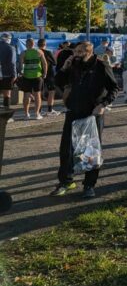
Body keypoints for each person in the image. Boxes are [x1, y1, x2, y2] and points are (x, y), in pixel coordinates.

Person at [51, 41, 118, 198]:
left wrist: (103, 104)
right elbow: (58, 82)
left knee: (91, 150)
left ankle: (89, 185)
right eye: (75, 51)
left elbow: (114, 88)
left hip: (92, 113)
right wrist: (64, 68)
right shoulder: (73, 65)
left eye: (80, 52)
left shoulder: (101, 66)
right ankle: (66, 181)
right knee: (66, 149)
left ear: (89, 52)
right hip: (73, 111)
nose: (76, 55)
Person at [19, 38, 47, 120]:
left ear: (26, 44)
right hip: (37, 76)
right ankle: (37, 114)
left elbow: (20, 65)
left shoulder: (23, 53)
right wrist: (45, 73)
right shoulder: (39, 52)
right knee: (37, 95)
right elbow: (44, 64)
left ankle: (26, 115)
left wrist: (21, 72)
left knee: (26, 95)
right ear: (33, 44)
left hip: (26, 76)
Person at [38, 38, 60, 116]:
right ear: (45, 44)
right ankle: (50, 110)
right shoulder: (48, 52)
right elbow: (54, 62)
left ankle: (39, 110)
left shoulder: (36, 52)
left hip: (39, 74)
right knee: (51, 91)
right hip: (49, 74)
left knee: (39, 92)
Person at [0, 33, 17, 115]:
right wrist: (14, 74)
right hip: (6, 74)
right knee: (7, 94)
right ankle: (5, 114)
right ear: (8, 39)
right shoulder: (11, 48)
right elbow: (12, 63)